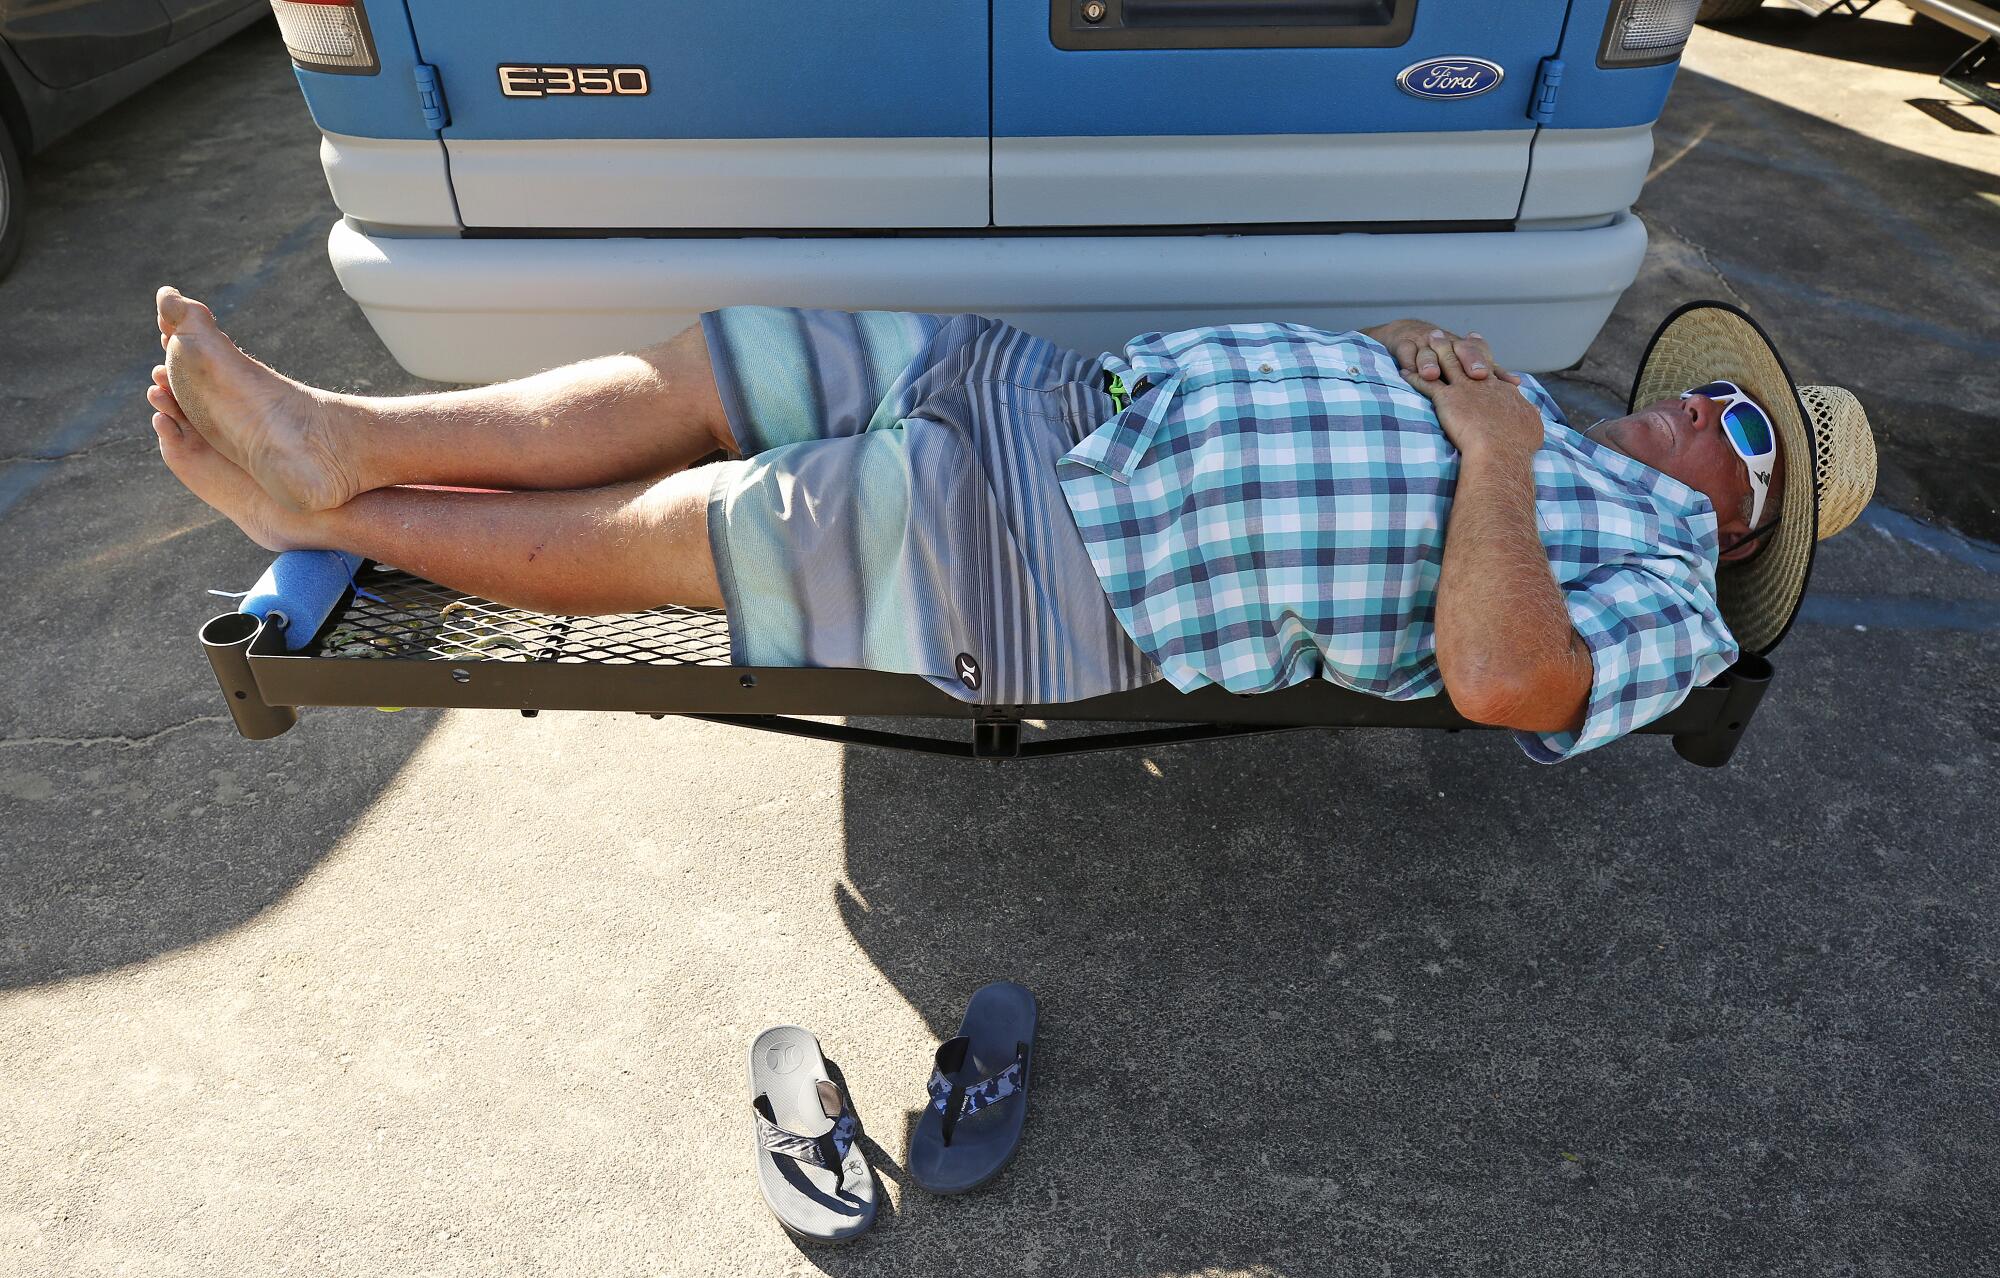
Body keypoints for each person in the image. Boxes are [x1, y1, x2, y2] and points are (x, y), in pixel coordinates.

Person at [145, 289, 1875, 762]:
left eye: (1737, 426)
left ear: (1743, 520)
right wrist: (1404, 363)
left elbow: (1504, 680)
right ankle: (342, 436)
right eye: (1713, 383)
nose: (1688, 403)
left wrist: (1490, 451)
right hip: (1057, 394)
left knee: (725, 521)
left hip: (1068, 566)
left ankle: (352, 503)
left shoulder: (1674, 601)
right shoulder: (1544, 425)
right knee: (735, 354)